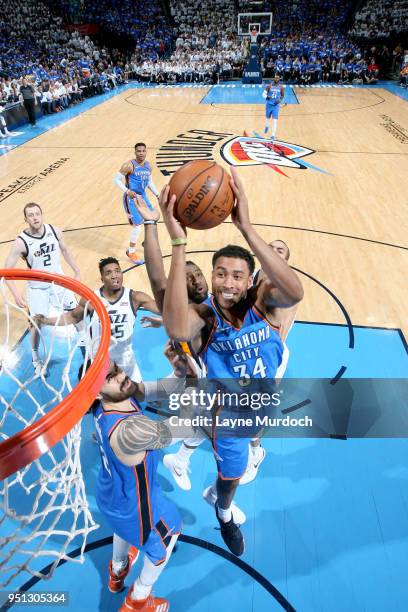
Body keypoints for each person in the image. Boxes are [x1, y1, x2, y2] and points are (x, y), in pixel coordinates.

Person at [159, 169, 303, 556]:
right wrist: (177, 242)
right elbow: (175, 324)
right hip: (228, 418)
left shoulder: (265, 305)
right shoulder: (206, 317)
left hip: (262, 402)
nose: (227, 283)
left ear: (251, 279)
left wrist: (246, 227)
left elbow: (295, 291)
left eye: (237, 276)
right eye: (220, 274)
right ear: (211, 275)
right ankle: (222, 511)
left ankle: (207, 482)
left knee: (241, 458)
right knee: (231, 477)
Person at [91, 343, 203, 611]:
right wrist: (195, 382)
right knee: (166, 540)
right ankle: (138, 599)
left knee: (123, 532)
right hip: (134, 507)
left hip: (111, 492)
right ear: (95, 393)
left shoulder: (112, 401)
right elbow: (186, 425)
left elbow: (154, 390)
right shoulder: (129, 432)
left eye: (116, 369)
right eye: (111, 377)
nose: (121, 375)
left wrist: (178, 373)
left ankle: (117, 570)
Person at [35, 257, 159, 382]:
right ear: (102, 279)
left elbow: (164, 311)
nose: (114, 275)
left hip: (124, 357)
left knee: (140, 392)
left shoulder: (135, 297)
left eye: (117, 271)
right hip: (99, 358)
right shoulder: (92, 299)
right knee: (95, 396)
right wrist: (45, 321)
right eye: (108, 273)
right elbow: (73, 316)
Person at [4, 203, 81, 375]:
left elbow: (66, 250)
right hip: (38, 287)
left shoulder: (54, 231)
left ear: (42, 214)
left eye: (37, 214)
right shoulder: (21, 242)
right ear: (25, 219)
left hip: (58, 281)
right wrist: (16, 294)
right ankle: (35, 357)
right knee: (37, 323)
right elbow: (7, 271)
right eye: (30, 215)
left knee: (76, 312)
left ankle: (86, 340)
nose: (35, 217)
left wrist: (77, 270)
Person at [115, 143, 160, 265]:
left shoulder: (148, 166)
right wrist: (127, 191)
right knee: (138, 227)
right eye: (139, 151)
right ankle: (131, 251)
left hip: (143, 196)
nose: (141, 153)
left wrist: (157, 194)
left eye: (143, 151)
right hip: (131, 198)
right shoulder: (129, 166)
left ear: (146, 152)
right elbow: (116, 180)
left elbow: (149, 182)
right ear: (135, 152)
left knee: (152, 219)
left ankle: (146, 242)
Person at [263, 75, 284, 141]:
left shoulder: (281, 87)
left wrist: (279, 100)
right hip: (269, 105)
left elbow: (282, 95)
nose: (276, 79)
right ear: (274, 78)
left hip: (276, 106)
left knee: (275, 121)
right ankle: (266, 126)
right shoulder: (269, 86)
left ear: (279, 79)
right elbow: (263, 94)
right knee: (267, 119)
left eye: (278, 78)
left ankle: (273, 135)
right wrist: (267, 97)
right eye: (275, 77)